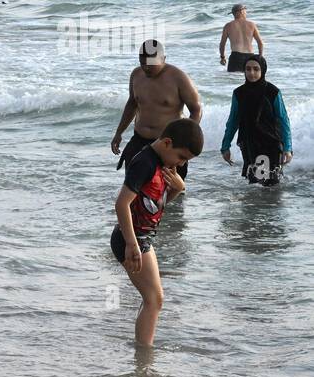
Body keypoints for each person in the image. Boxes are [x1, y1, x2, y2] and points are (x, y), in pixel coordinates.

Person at [111, 118, 203, 346]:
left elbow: (155, 204)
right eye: (181, 157)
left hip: (142, 238)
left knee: (154, 298)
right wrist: (131, 244)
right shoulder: (145, 162)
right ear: (167, 143)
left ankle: (143, 351)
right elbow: (121, 204)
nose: (181, 164)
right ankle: (143, 356)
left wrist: (177, 190)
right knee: (153, 299)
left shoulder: (162, 163)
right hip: (130, 238)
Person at [112, 39, 203, 179]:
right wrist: (119, 132)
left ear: (163, 59)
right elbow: (132, 104)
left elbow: (196, 110)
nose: (146, 68)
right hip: (139, 139)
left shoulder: (179, 78)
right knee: (133, 186)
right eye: (142, 63)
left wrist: (185, 140)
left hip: (167, 145)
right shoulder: (136, 75)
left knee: (169, 191)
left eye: (151, 64)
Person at [221, 55, 293, 185]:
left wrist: (287, 148)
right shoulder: (239, 93)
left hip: (271, 143)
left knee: (271, 184)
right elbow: (233, 121)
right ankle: (256, 206)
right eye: (248, 69)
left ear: (263, 70)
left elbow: (283, 120)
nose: (251, 73)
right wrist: (225, 146)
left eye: (256, 69)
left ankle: (271, 206)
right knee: (254, 184)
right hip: (249, 144)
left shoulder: (273, 92)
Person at [219, 3, 263, 72]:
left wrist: (222, 57)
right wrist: (260, 57)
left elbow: (222, 44)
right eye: (245, 10)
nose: (246, 13)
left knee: (232, 80)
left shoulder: (228, 26)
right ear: (241, 12)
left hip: (235, 57)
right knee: (249, 80)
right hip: (250, 57)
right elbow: (260, 43)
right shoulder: (252, 25)